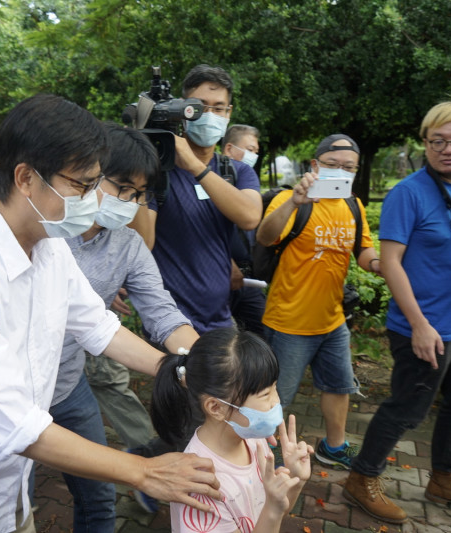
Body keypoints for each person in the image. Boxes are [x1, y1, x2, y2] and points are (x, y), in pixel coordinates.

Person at [0, 94, 221, 533]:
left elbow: (99, 327)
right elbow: (13, 422)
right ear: (25, 177)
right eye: (82, 185)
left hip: (2, 488)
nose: (93, 201)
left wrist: (187, 368)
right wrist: (145, 472)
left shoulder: (48, 246)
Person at [345, 100, 451, 523]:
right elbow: (391, 262)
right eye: (437, 141)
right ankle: (361, 478)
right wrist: (418, 325)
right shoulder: (408, 193)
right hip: (425, 327)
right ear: (425, 144)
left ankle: (445, 479)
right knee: (407, 409)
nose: (448, 149)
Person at [42, 123, 199, 529]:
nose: (128, 202)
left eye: (137, 195)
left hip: (67, 384)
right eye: (121, 188)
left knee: (98, 499)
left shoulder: (127, 244)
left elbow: (162, 315)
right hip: (17, 388)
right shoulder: (45, 232)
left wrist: (204, 363)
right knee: (12, 505)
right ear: (86, 173)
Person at [255, 134, 379, 470]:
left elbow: (363, 250)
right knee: (275, 397)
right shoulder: (289, 199)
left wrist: (381, 264)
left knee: (339, 386)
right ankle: (267, 451)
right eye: (332, 165)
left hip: (332, 319)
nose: (340, 172)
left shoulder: (353, 205)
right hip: (289, 322)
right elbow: (265, 237)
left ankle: (334, 447)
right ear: (314, 166)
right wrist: (295, 202)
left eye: (348, 168)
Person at [151, 328, 313, 533]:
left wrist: (296, 480)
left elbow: (276, 511)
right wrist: (272, 507)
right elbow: (272, 512)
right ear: (216, 408)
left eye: (275, 388)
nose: (276, 402)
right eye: (265, 395)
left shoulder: (253, 439)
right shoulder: (204, 484)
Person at [147, 64, 262, 333]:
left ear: (229, 112)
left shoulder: (237, 171)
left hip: (221, 318)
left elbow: (249, 217)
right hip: (169, 321)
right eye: (200, 106)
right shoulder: (158, 173)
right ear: (183, 109)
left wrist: (196, 167)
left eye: (219, 108)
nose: (209, 115)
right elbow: (141, 242)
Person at [222, 124, 266, 335]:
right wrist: (226, 263)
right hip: (217, 276)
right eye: (249, 150)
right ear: (229, 149)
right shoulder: (209, 180)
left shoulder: (247, 180)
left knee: (259, 339)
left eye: (256, 152)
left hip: (249, 280)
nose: (253, 156)